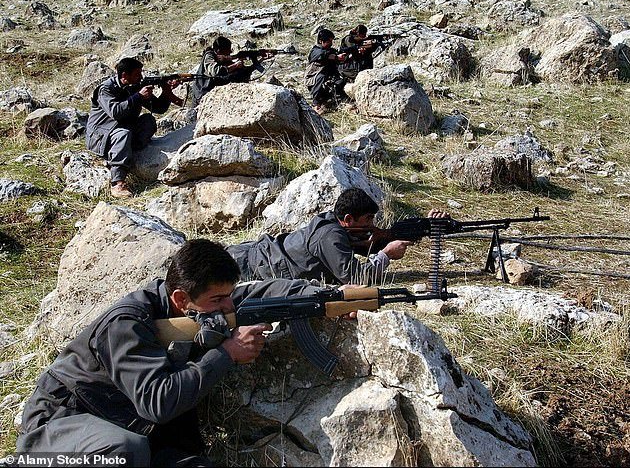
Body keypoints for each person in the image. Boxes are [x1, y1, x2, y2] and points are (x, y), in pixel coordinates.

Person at [16, 239, 323, 466]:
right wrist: (227, 353)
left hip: (136, 428)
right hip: (60, 428)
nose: (229, 306)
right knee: (122, 451)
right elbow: (157, 403)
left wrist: (327, 299)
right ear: (180, 298)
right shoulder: (126, 323)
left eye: (229, 295)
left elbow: (261, 293)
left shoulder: (201, 303)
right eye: (218, 300)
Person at [228, 188, 448, 286]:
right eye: (368, 219)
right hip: (244, 265)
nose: (371, 225)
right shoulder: (330, 236)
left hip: (253, 255)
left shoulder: (340, 226)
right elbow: (355, 278)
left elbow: (373, 242)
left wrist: (426, 226)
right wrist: (386, 256)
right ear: (349, 219)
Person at [86, 57, 183, 199]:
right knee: (123, 134)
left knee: (148, 121)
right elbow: (116, 112)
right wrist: (138, 96)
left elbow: (159, 108)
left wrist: (166, 90)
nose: (141, 77)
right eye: (137, 74)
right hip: (102, 135)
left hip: (123, 129)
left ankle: (126, 154)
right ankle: (117, 182)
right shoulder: (106, 89)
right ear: (124, 75)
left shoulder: (134, 86)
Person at [190, 36, 271, 107]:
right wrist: (235, 65)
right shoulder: (209, 56)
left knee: (239, 74)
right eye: (228, 50)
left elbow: (242, 72)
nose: (230, 52)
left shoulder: (222, 59)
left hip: (211, 93)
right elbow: (216, 71)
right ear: (218, 50)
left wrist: (261, 59)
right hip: (202, 93)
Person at [304, 28, 348, 115]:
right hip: (313, 79)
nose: (331, 43)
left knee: (341, 82)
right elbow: (322, 54)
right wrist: (336, 57)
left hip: (330, 78)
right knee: (321, 76)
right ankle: (316, 103)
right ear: (321, 41)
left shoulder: (331, 50)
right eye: (328, 41)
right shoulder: (315, 51)